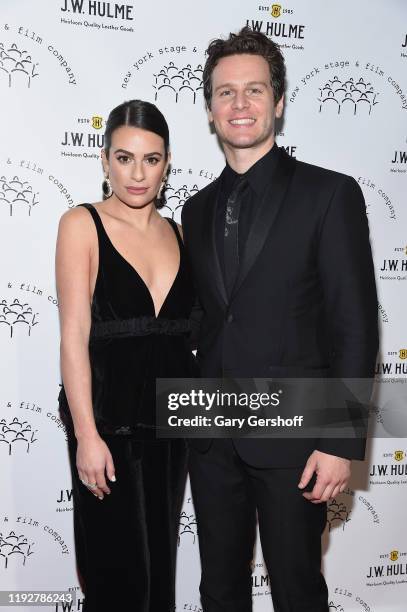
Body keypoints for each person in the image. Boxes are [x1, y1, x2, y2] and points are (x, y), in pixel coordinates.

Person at [181, 27, 378, 612]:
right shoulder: (195, 210)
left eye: (254, 90)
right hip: (211, 434)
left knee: (296, 589)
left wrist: (339, 443)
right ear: (211, 110)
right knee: (219, 588)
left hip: (296, 439)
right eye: (225, 93)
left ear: (280, 102)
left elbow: (355, 324)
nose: (239, 104)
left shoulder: (330, 194)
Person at [56, 99, 196, 612]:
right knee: (117, 579)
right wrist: (87, 435)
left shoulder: (181, 234)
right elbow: (73, 334)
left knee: (160, 572)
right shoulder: (81, 224)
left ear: (167, 162)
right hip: (108, 425)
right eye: (124, 158)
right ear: (104, 159)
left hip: (172, 423)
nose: (137, 174)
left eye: (151, 159)